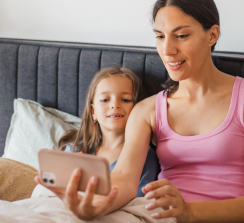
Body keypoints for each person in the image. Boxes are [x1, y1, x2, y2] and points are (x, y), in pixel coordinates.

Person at [39, 0, 244, 223]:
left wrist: (189, 211)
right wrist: (97, 207)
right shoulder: (147, 110)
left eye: (181, 35)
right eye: (160, 36)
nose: (167, 50)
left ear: (212, 35)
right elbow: (125, 178)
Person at [41, 66, 160, 197]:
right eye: (105, 100)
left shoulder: (145, 156)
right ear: (93, 112)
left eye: (125, 99)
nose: (115, 105)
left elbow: (139, 198)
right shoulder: (76, 150)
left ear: (138, 109)